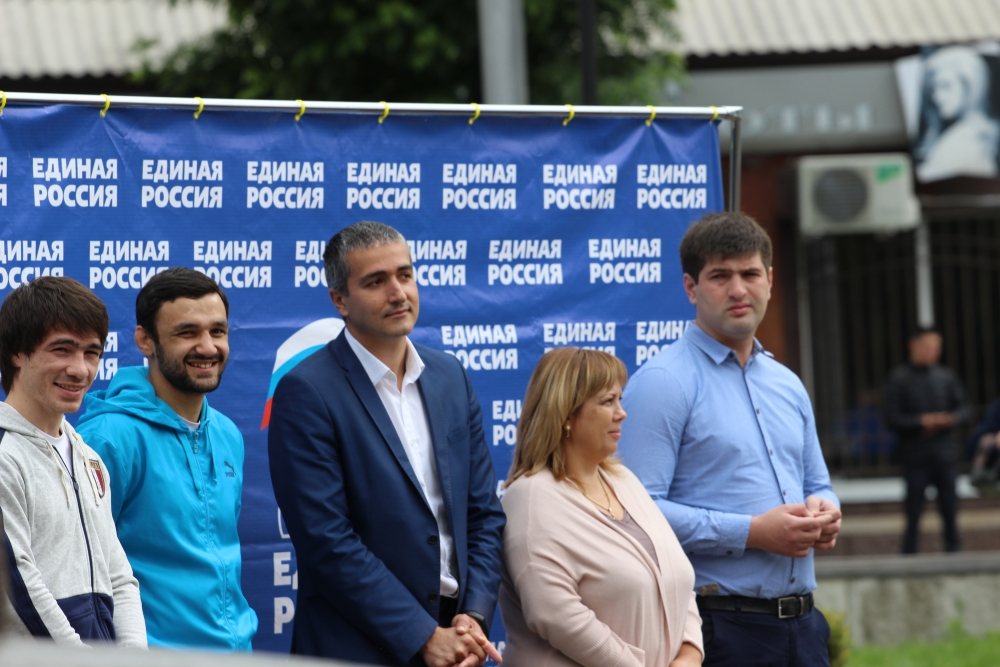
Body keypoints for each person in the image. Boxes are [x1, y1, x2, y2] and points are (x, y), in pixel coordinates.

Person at [268, 221, 506, 666]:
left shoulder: (450, 376)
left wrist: (473, 616)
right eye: (376, 281)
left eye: (405, 275)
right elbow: (326, 540)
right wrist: (423, 637)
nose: (398, 293)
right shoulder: (307, 392)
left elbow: (483, 514)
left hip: (457, 641)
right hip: (356, 646)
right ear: (340, 300)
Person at [618, 212, 841, 667]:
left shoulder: (787, 383)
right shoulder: (663, 383)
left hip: (804, 626)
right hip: (717, 626)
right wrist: (752, 533)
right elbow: (635, 513)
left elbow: (818, 483)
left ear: (770, 280)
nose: (738, 290)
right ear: (690, 288)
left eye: (750, 274)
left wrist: (826, 511)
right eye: (720, 276)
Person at [76, 268, 258, 649]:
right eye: (187, 333)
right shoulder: (108, 438)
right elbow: (79, 573)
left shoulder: (227, 434)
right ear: (145, 340)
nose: (207, 347)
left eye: (218, 331)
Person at [500, 347, 703, 667]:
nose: (622, 413)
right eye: (608, 401)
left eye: (620, 399)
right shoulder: (530, 497)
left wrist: (690, 654)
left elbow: (678, 580)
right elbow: (556, 615)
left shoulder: (624, 480)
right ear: (567, 415)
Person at [0, 276, 146, 646]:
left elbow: (119, 577)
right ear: (17, 352)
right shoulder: (5, 455)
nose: (80, 369)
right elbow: (19, 590)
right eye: (62, 350)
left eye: (91, 353)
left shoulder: (88, 457)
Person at [883, 327, 968, 553]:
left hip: (945, 453)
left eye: (936, 348)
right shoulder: (899, 379)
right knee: (913, 510)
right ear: (914, 346)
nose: (933, 352)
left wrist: (949, 419)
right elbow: (891, 418)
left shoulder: (946, 377)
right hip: (915, 454)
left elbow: (963, 410)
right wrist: (922, 422)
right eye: (928, 347)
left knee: (950, 507)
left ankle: (954, 552)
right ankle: (909, 554)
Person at [916, 45, 1000, 182]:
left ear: (969, 85)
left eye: (946, 86)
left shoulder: (965, 139)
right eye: (933, 88)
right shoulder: (967, 133)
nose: (937, 97)